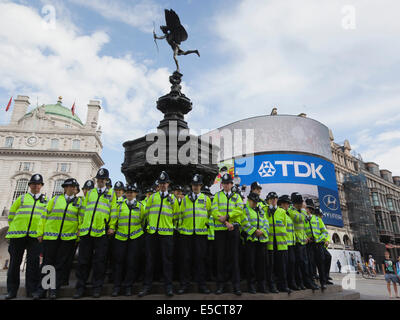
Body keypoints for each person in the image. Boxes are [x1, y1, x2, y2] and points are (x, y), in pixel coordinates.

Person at [33, 178, 81, 299]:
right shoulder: (55, 200)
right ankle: (42, 289)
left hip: (68, 238)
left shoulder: (79, 203)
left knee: (60, 265)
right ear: (65, 188)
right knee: (47, 264)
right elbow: (44, 216)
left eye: (75, 187)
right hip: (51, 236)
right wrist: (40, 233)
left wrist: (78, 233)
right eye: (71, 186)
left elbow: (81, 219)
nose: (73, 189)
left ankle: (54, 289)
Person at [74, 168, 117, 299]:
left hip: (101, 232)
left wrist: (111, 226)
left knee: (100, 261)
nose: (100, 181)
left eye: (103, 179)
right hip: (87, 231)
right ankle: (80, 288)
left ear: (106, 180)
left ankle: (97, 288)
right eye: (98, 179)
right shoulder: (91, 192)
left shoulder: (111, 194)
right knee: (83, 261)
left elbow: (113, 211)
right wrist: (81, 226)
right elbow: (83, 211)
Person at [5, 174, 47, 299]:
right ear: (29, 186)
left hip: (35, 237)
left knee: (33, 264)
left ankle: (31, 291)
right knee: (14, 264)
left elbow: (45, 219)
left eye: (38, 184)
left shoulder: (46, 201)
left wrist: (41, 233)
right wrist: (14, 227)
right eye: (33, 184)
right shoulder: (22, 198)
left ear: (41, 186)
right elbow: (11, 214)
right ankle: (12, 291)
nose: (36, 186)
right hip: (18, 235)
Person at [138, 171, 180, 297]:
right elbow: (146, 214)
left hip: (166, 234)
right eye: (161, 183)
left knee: (167, 261)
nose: (163, 185)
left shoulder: (172, 199)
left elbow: (177, 216)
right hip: (152, 233)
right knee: (150, 260)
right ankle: (147, 286)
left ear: (168, 184)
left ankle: (168, 287)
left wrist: (170, 225)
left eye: (165, 183)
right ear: (158, 185)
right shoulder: (152, 197)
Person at [177, 174, 212, 294]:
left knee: (200, 260)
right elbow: (181, 214)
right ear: (191, 186)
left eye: (197, 185)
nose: (195, 187)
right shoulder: (185, 199)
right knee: (185, 260)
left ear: (201, 186)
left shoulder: (206, 199)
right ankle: (184, 285)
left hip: (201, 234)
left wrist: (206, 225)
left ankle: (202, 285)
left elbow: (209, 215)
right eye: (193, 185)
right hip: (186, 234)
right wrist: (181, 228)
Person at [211, 173, 244, 296]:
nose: (226, 185)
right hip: (221, 230)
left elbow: (240, 209)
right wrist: (225, 222)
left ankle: (236, 286)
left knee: (234, 257)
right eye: (224, 183)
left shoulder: (237, 197)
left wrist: (228, 216)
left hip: (233, 230)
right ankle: (220, 285)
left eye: (228, 183)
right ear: (221, 184)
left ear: (231, 184)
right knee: (221, 258)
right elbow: (214, 211)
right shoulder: (217, 196)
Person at [110, 183, 145, 297]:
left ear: (135, 194)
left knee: (131, 262)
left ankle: (128, 286)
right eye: (128, 192)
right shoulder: (120, 206)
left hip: (135, 238)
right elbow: (114, 220)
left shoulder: (140, 206)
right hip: (121, 237)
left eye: (132, 192)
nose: (130, 194)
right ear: (126, 194)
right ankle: (116, 287)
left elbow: (143, 221)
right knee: (119, 262)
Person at [288, 193, 319, 290]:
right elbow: (300, 219)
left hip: (302, 241)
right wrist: (304, 210)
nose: (302, 204)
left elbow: (303, 227)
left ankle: (307, 282)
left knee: (305, 263)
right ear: (295, 203)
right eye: (300, 203)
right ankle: (300, 282)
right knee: (299, 263)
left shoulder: (300, 210)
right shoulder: (291, 211)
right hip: (296, 242)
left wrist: (305, 237)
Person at [240, 192, 269, 294]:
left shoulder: (261, 210)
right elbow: (244, 222)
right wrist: (254, 231)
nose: (255, 203)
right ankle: (251, 285)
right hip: (251, 241)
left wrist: (262, 231)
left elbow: (266, 223)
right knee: (250, 264)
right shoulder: (245, 209)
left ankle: (261, 285)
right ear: (249, 200)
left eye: (256, 202)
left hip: (261, 241)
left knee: (261, 264)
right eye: (253, 201)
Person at [265, 192, 289, 293]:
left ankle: (283, 285)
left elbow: (285, 226)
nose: (273, 200)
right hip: (270, 243)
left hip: (281, 244)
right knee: (271, 266)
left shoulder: (282, 211)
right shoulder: (265, 210)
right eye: (271, 199)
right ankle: (272, 286)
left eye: (275, 198)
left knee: (282, 266)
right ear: (268, 200)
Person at [304, 201, 328, 290]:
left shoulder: (318, 220)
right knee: (311, 264)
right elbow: (302, 231)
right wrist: (306, 238)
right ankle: (313, 281)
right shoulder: (303, 219)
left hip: (318, 245)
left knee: (320, 264)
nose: (304, 210)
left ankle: (323, 282)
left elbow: (324, 232)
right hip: (309, 245)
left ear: (309, 210)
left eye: (306, 208)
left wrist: (318, 239)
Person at [281, 195, 298, 291]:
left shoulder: (288, 214)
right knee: (285, 265)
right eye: (287, 203)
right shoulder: (281, 213)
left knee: (292, 263)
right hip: (284, 243)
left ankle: (292, 282)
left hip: (291, 244)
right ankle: (286, 284)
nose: (289, 205)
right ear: (283, 204)